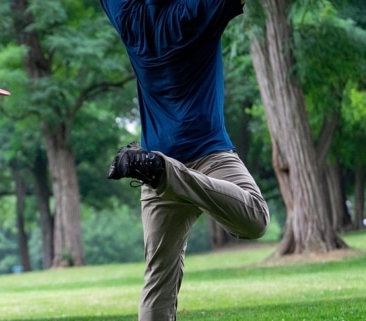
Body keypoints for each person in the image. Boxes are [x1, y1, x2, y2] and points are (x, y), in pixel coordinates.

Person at [100, 0, 270, 320]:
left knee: (158, 282)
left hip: (151, 162)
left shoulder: (127, 14)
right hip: (208, 154)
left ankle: (162, 171)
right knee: (255, 218)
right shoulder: (194, 11)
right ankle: (165, 172)